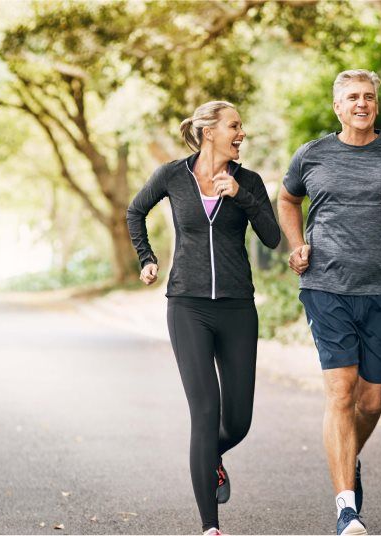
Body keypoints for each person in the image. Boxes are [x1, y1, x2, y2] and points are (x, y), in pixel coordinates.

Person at [277, 70, 381, 535]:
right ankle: (346, 509)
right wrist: (297, 244)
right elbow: (287, 200)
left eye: (368, 97)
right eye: (352, 97)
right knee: (341, 392)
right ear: (337, 107)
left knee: (370, 403)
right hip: (325, 286)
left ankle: (346, 458)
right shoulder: (312, 155)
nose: (361, 104)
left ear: (376, 105)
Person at [127, 101, 281, 535]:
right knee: (205, 411)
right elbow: (135, 211)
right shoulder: (173, 175)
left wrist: (242, 196)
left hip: (237, 308)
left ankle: (208, 457)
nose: (241, 134)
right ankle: (210, 527)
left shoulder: (249, 181)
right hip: (187, 306)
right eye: (234, 126)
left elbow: (272, 238)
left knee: (238, 421)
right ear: (209, 132)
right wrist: (146, 258)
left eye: (241, 127)